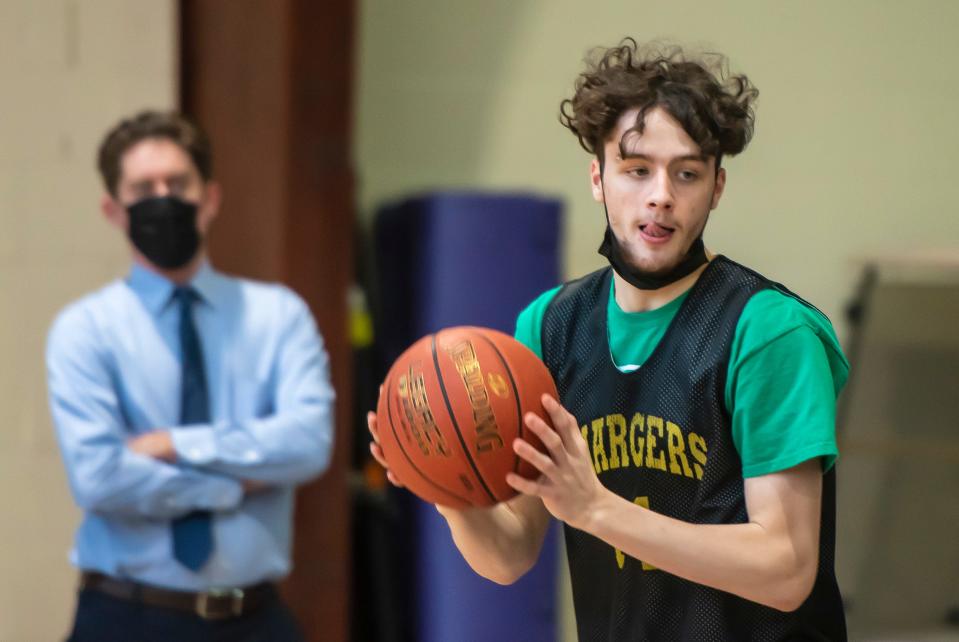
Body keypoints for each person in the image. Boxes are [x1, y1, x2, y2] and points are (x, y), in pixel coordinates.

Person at [369, 39, 848, 641]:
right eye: (637, 168)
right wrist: (443, 479)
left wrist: (595, 509)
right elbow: (510, 554)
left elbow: (786, 568)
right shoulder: (550, 326)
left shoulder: (768, 331)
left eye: (688, 173)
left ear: (716, 188)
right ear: (598, 177)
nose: (661, 195)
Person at [47, 110, 335, 642]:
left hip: (256, 619)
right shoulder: (83, 330)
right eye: (143, 188)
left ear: (211, 198)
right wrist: (234, 482)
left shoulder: (278, 316)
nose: (164, 198)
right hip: (123, 617)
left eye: (178, 183)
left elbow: (308, 444)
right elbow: (98, 477)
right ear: (113, 209)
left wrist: (172, 444)